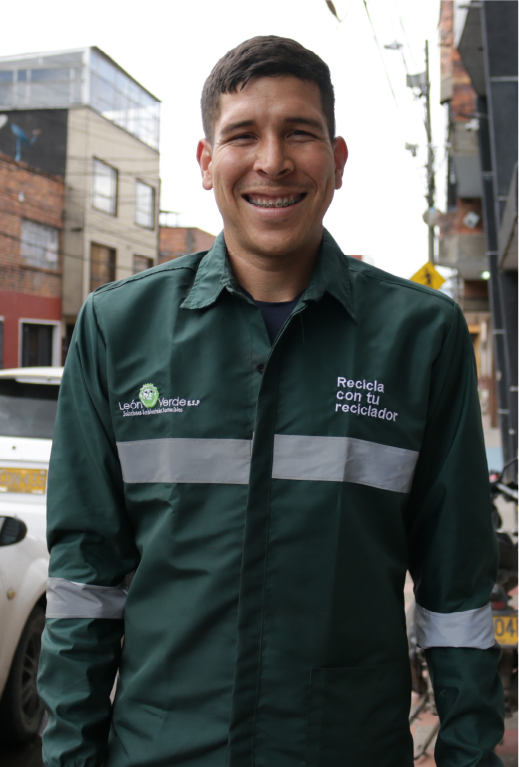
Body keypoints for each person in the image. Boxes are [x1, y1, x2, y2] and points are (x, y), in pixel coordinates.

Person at [38, 35, 504, 767]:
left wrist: (471, 755)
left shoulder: (421, 336)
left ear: (337, 159)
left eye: (299, 132)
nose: (272, 161)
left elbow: (456, 593)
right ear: (204, 161)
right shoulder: (115, 328)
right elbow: (83, 586)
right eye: (242, 134)